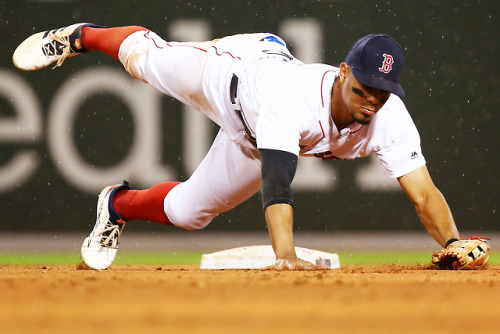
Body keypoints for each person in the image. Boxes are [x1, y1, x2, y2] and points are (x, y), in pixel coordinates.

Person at [13, 23, 460, 270]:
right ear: (343, 72)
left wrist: (454, 244)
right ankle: (77, 36)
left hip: (250, 137)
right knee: (144, 60)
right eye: (364, 88)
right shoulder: (295, 99)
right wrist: (284, 258)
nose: (372, 101)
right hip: (234, 74)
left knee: (189, 213)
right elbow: (278, 183)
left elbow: (424, 194)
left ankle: (117, 205)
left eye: (382, 92)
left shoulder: (389, 117)